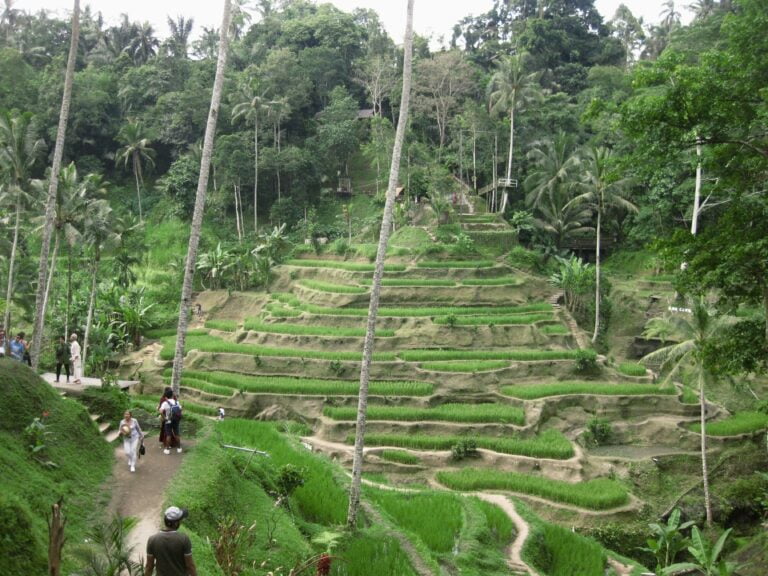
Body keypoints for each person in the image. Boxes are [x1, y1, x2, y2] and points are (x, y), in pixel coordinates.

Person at [145, 506, 197, 576]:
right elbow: (190, 565)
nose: (180, 522)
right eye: (180, 520)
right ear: (176, 523)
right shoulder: (184, 539)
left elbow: (149, 567)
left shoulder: (152, 540)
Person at [159, 389, 182, 455]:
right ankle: (179, 448)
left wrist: (164, 418)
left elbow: (160, 411)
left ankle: (167, 449)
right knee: (177, 434)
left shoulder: (165, 403)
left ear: (166, 396)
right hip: (176, 420)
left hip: (168, 420)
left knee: (168, 435)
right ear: (172, 395)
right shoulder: (176, 402)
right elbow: (180, 409)